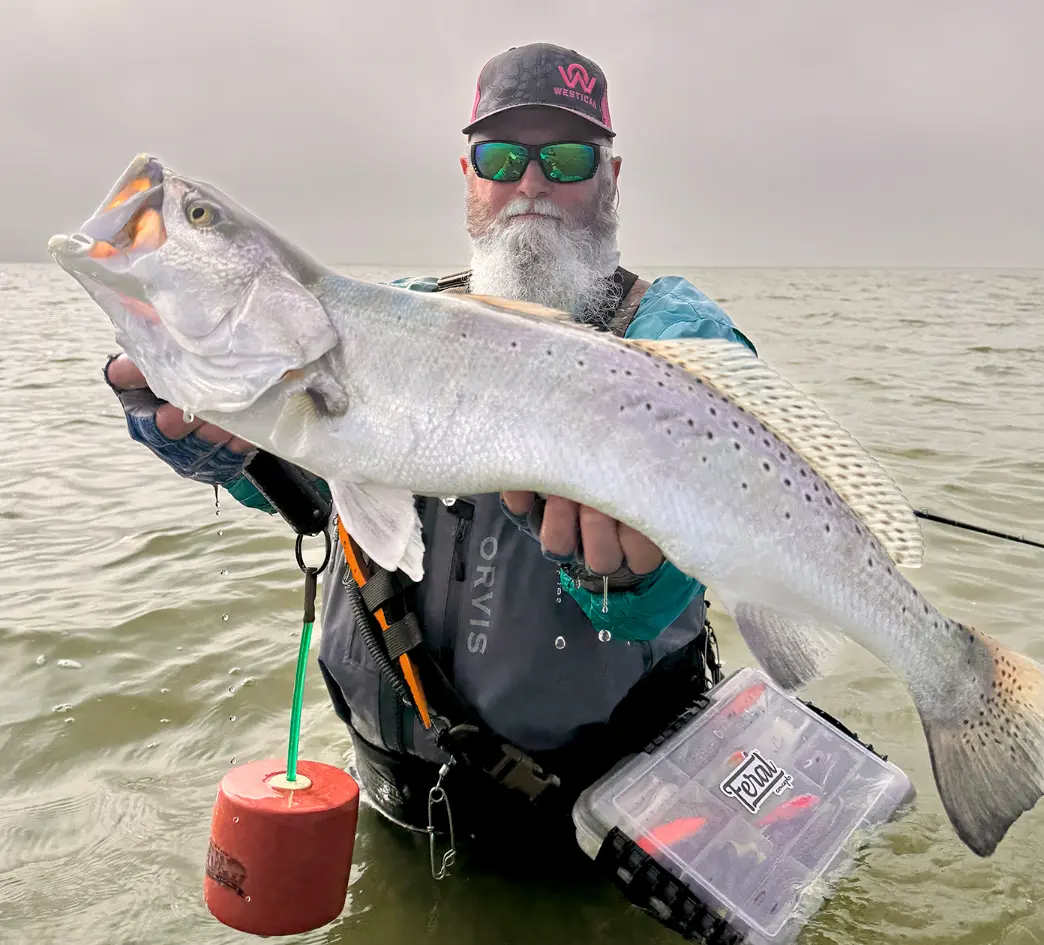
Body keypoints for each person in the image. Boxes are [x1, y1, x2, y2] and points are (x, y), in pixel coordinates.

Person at [103, 42, 758, 865]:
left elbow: (700, 565)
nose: (531, 183)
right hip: (393, 802)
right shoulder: (393, 316)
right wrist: (212, 443)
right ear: (468, 175)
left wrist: (630, 579)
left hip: (598, 823)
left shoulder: (674, 335)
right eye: (501, 156)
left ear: (610, 178)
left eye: (564, 157)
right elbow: (304, 473)